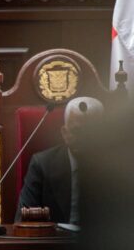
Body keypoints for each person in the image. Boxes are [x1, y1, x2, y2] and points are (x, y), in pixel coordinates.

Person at [15, 96, 104, 224]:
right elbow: (23, 221)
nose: (84, 138)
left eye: (91, 131)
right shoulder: (42, 165)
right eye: (77, 131)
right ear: (64, 133)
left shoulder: (118, 168)